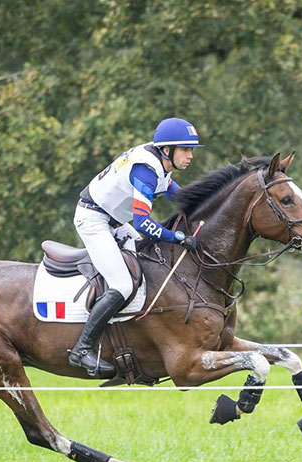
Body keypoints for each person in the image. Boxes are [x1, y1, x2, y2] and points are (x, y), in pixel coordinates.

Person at [69, 117, 203, 377]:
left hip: (115, 221)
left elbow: (175, 193)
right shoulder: (145, 170)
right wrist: (177, 237)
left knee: (148, 266)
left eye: (191, 150)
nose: (190, 156)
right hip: (94, 220)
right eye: (185, 149)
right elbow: (143, 223)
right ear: (167, 150)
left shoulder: (161, 164)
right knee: (123, 284)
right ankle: (81, 349)